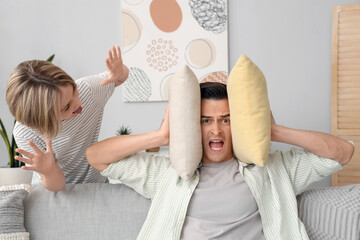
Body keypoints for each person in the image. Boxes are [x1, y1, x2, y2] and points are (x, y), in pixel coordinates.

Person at [86, 82, 354, 239]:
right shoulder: (168, 172)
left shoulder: (272, 167)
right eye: (206, 121)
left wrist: (274, 131)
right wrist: (160, 135)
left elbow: (343, 152)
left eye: (226, 120)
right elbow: (96, 157)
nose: (216, 130)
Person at [6, 45, 129, 192]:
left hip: (97, 187)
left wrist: (121, 72)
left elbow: (118, 78)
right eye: (66, 107)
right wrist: (49, 170)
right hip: (53, 194)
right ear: (43, 119)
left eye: (74, 91)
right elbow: (57, 186)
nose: (79, 103)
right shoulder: (26, 133)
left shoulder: (87, 90)